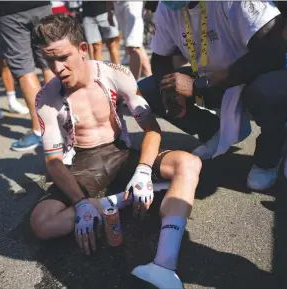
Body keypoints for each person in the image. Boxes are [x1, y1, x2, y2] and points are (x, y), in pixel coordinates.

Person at [30, 14, 202, 289]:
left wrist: (144, 170)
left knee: (189, 163)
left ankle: (164, 264)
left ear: (83, 49)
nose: (57, 68)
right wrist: (81, 202)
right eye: (49, 60)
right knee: (42, 224)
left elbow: (151, 129)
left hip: (120, 152)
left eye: (63, 57)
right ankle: (121, 199)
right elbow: (53, 162)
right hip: (84, 163)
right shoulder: (46, 98)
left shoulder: (114, 74)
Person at [141, 1, 287, 191]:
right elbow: (160, 57)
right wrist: (170, 92)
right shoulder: (167, 7)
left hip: (258, 74)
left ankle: (268, 157)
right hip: (212, 78)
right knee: (150, 90)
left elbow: (272, 53)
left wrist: (198, 85)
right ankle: (215, 131)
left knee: (273, 93)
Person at [0, 1, 55, 151]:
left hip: (8, 9)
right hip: (39, 4)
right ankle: (61, 120)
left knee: (24, 69)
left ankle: (40, 130)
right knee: (49, 61)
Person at [107, 1, 152, 81]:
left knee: (133, 47)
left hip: (132, 4)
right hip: (117, 4)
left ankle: (133, 86)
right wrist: (109, 10)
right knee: (137, 45)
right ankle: (150, 78)